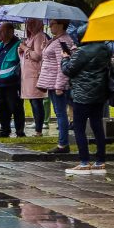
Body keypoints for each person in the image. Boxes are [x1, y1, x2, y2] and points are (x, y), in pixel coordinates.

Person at [61, 25, 111, 174]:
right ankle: (100, 160)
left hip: (82, 95)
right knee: (97, 125)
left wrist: (65, 58)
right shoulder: (105, 50)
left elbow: (68, 70)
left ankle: (84, 162)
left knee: (79, 127)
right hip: (99, 93)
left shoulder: (82, 52)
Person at [36, 19, 74, 154]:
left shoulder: (62, 41)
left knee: (60, 113)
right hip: (51, 81)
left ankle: (63, 144)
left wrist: (59, 86)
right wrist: (45, 48)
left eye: (53, 24)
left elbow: (62, 65)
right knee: (60, 113)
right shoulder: (57, 40)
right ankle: (62, 143)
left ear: (61, 25)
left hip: (57, 83)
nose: (50, 26)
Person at [0, 23, 25, 138]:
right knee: (1, 108)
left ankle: (19, 131)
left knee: (15, 107)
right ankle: (4, 129)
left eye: (2, 31)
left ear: (11, 32)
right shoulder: (0, 45)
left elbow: (19, 61)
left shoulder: (18, 44)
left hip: (12, 82)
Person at [19, 18, 48, 136]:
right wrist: (22, 49)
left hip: (34, 74)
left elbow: (37, 55)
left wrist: (25, 48)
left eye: (32, 23)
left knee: (36, 101)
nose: (29, 25)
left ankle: (38, 129)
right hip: (27, 75)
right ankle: (37, 126)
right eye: (28, 23)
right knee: (32, 101)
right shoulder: (30, 38)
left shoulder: (39, 37)